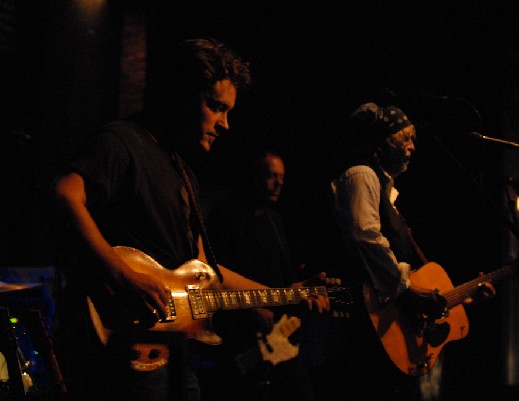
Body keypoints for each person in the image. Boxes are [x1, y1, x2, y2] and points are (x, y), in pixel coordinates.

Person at [52, 38, 328, 401]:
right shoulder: (122, 142)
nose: (225, 124)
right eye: (216, 107)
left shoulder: (184, 173)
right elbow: (63, 195)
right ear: (180, 94)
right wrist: (121, 275)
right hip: (125, 345)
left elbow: (206, 271)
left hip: (173, 350)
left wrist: (281, 296)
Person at [323, 102, 493, 401]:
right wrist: (407, 291)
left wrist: (464, 298)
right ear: (384, 142)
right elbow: (365, 237)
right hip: (361, 326)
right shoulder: (362, 174)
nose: (413, 147)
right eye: (406, 139)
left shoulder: (385, 192)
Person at [203, 149, 317, 401]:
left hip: (278, 333)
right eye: (270, 176)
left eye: (282, 178)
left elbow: (284, 273)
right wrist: (252, 308)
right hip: (241, 333)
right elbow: (214, 275)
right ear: (254, 177)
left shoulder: (276, 220)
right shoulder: (227, 217)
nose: (278, 184)